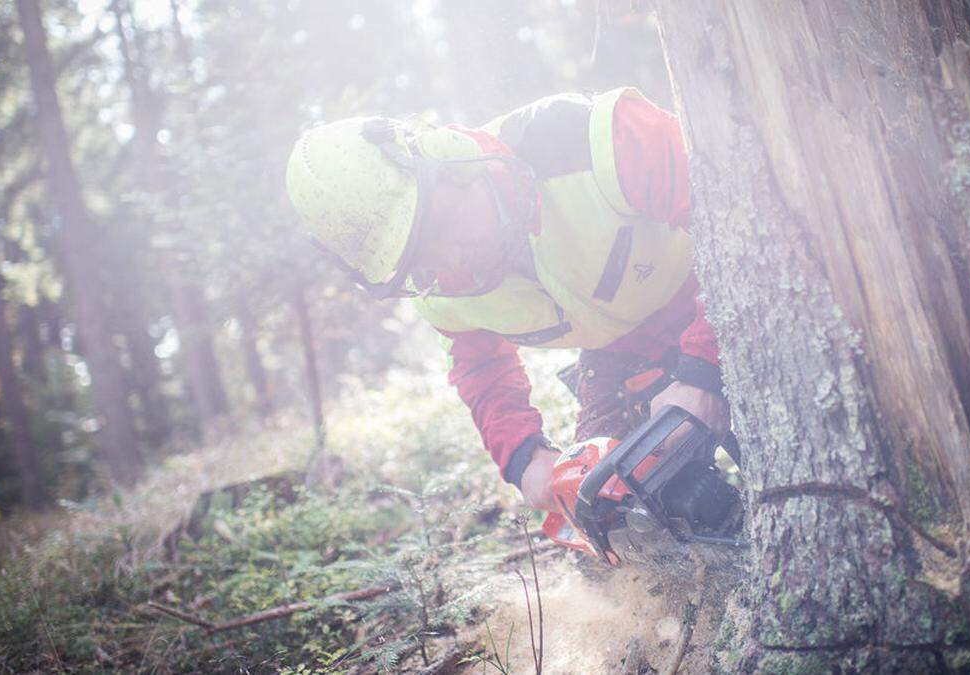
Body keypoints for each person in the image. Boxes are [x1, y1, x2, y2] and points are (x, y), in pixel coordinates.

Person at [285, 88, 729, 512]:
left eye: (438, 224)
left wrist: (703, 368)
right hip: (622, 353)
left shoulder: (590, 138)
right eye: (420, 259)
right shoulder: (440, 286)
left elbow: (736, 216)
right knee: (607, 507)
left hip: (718, 298)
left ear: (449, 165)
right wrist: (524, 456)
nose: (451, 257)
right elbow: (482, 369)